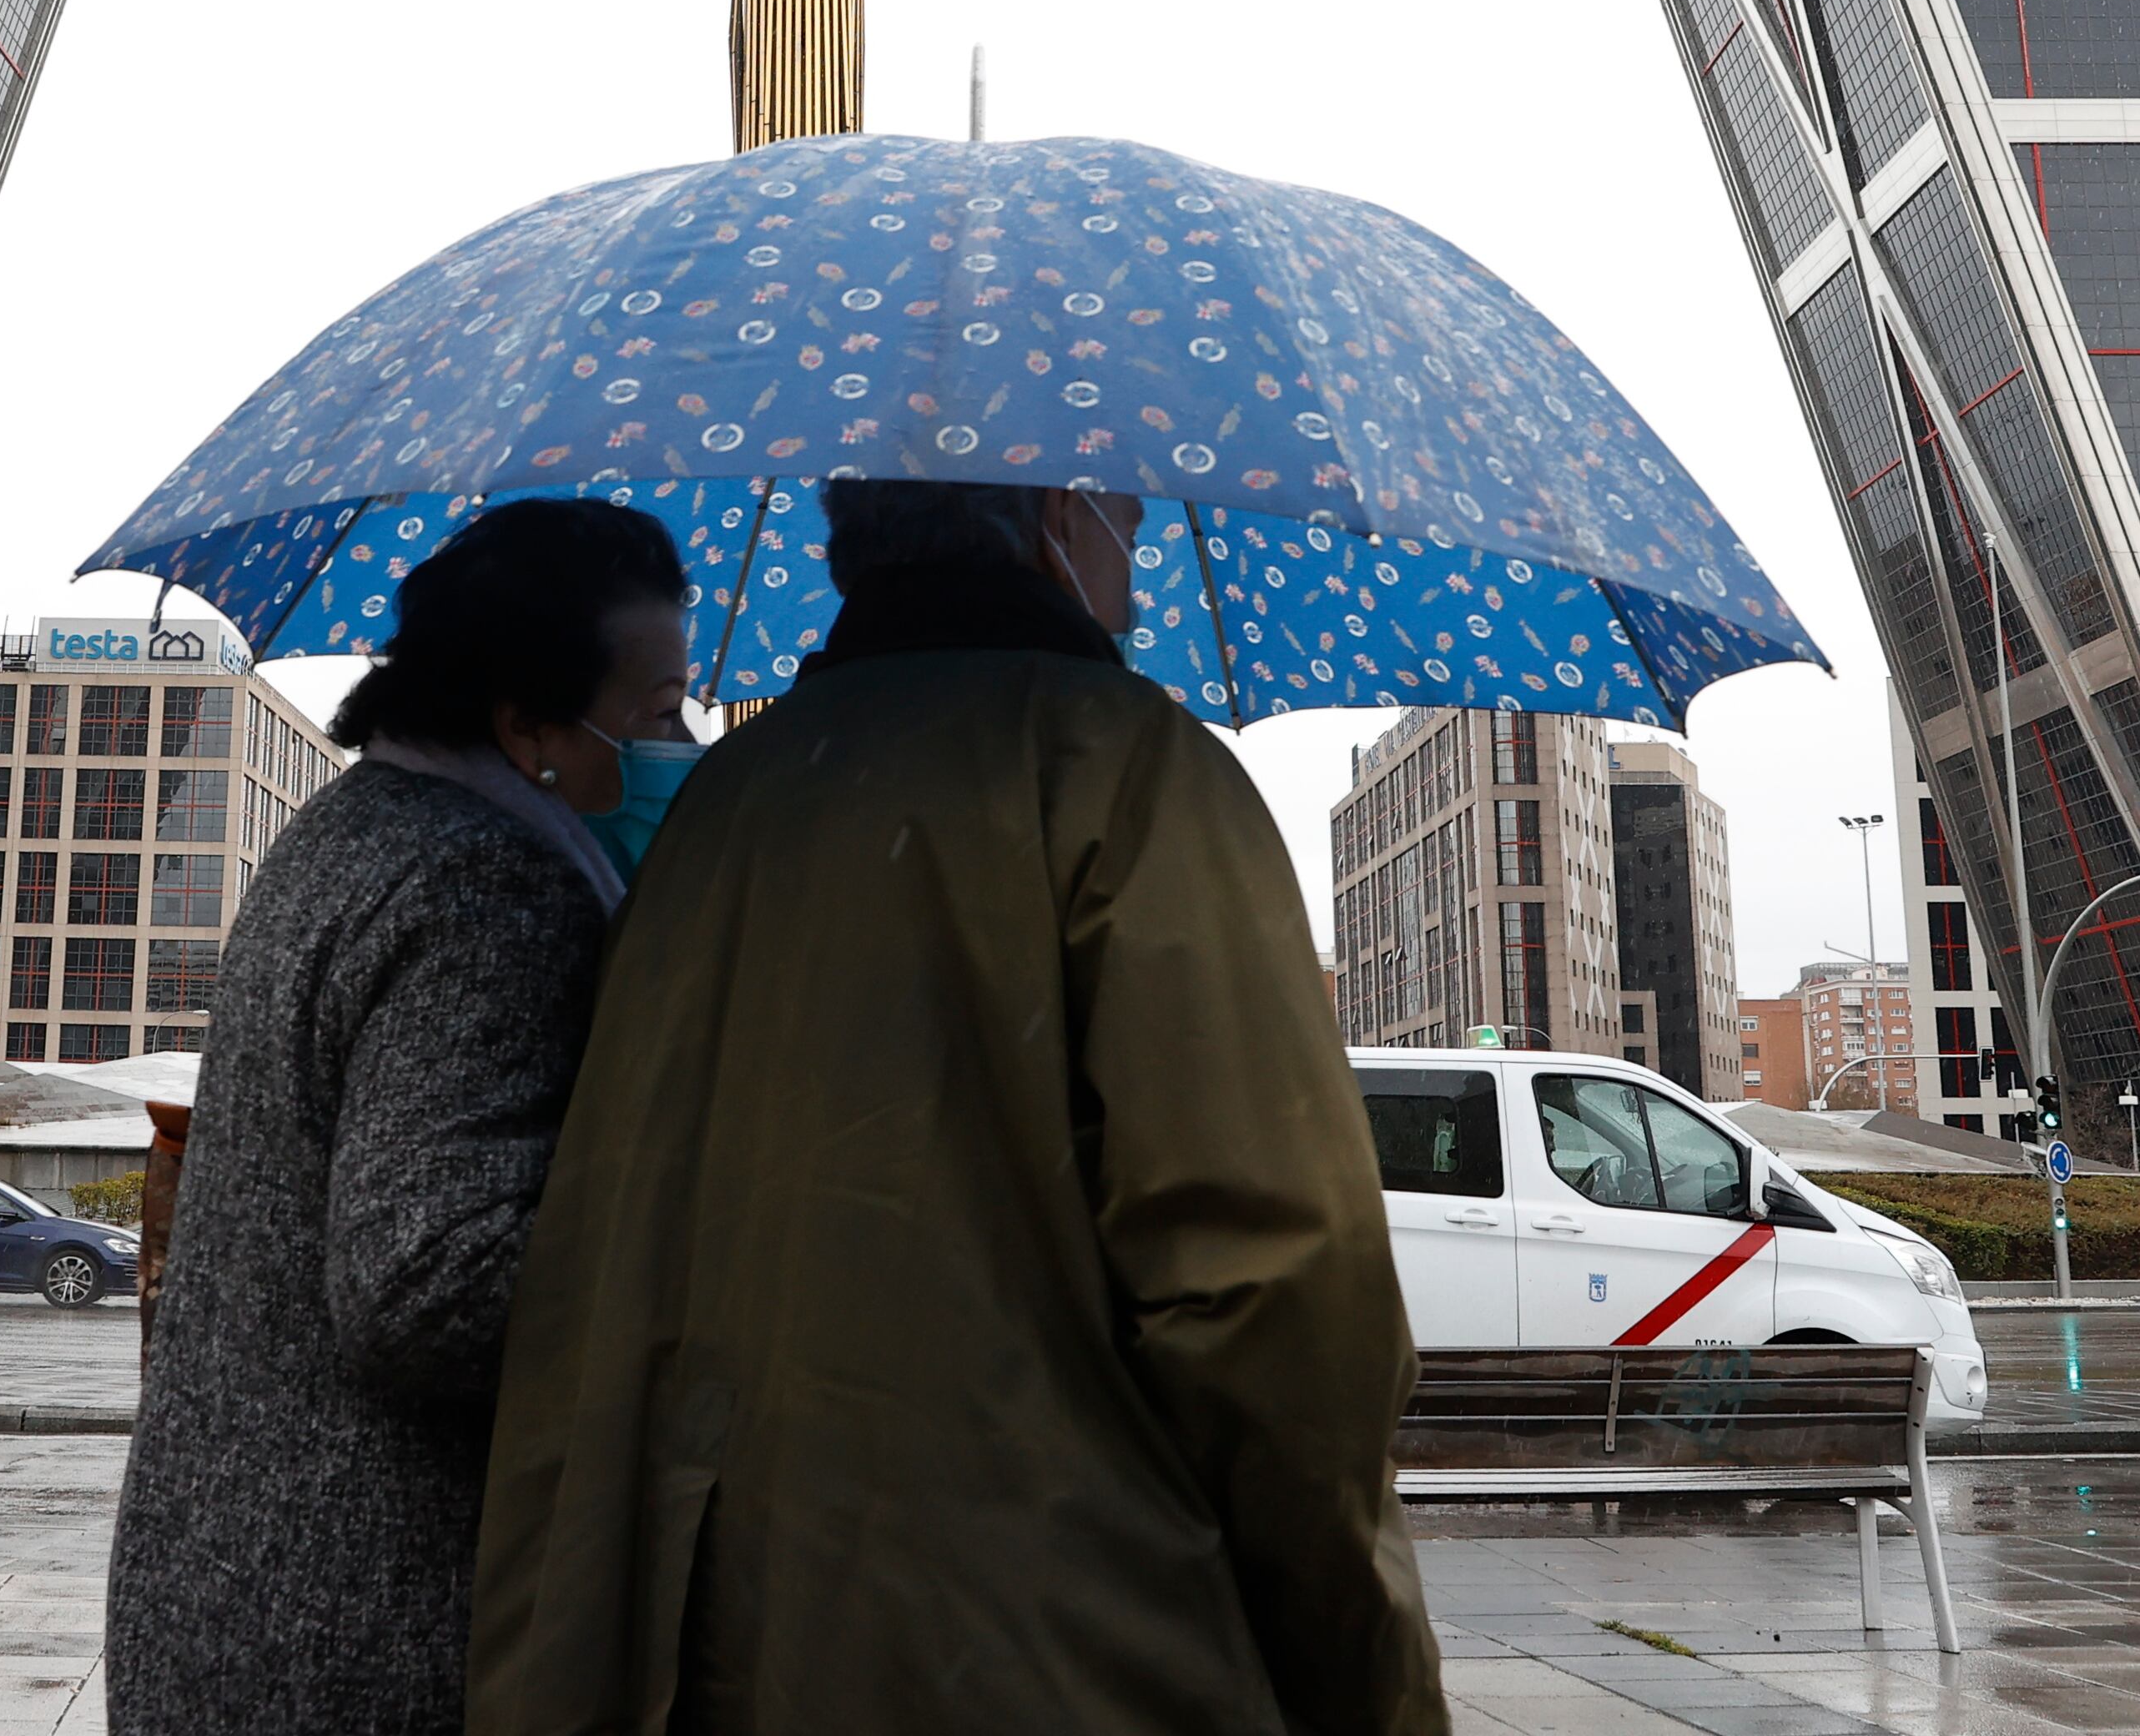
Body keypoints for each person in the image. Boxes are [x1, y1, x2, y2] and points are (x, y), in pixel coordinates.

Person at [467, 479, 1447, 1736]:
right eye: (1126, 515)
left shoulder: (727, 807)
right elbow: (1275, 1288)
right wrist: (1362, 1670)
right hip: (1064, 1645)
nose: (1138, 555)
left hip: (727, 1641)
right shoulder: (1132, 772)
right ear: (1053, 519)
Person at [107, 498, 697, 1736]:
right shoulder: (488, 889)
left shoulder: (350, 832)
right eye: (653, 711)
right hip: (373, 1626)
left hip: (233, 1586)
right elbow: (429, 1284)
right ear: (530, 724)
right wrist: (708, 1240)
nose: (679, 738)